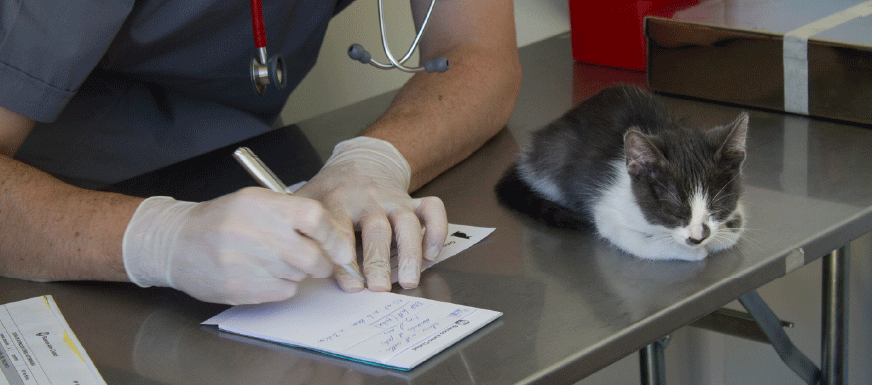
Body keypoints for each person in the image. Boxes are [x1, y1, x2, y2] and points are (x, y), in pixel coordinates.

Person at [0, 0, 521, 305]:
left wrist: (375, 158)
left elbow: (478, 52)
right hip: (46, 232)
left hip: (235, 168)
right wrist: (158, 239)